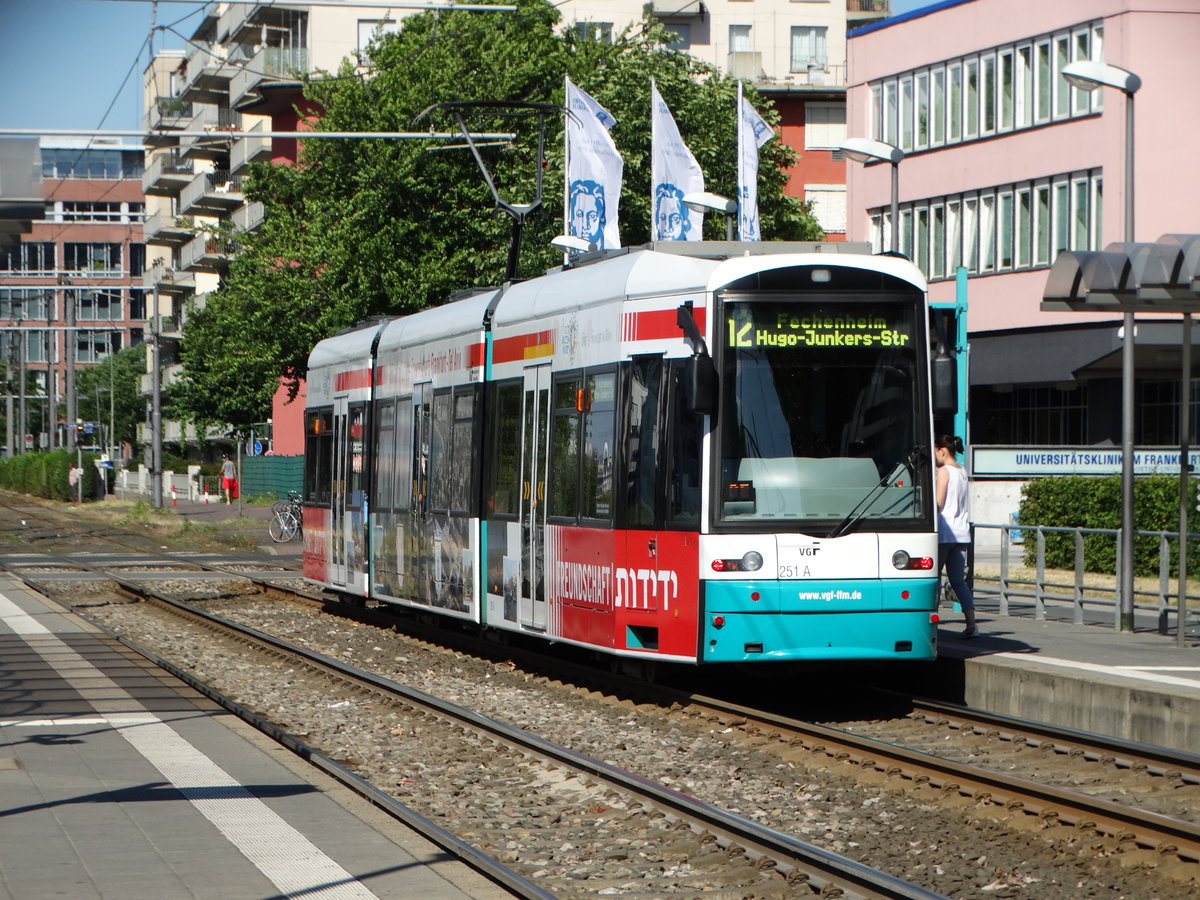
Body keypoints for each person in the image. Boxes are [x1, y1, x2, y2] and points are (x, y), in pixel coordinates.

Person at [935, 434, 978, 638]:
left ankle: (931, 619)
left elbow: (939, 503)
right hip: (961, 534)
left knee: (934, 579)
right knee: (958, 581)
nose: (935, 457)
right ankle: (971, 624)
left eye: (936, 452)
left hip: (944, 532)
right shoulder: (962, 472)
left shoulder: (944, 471)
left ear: (942, 451)